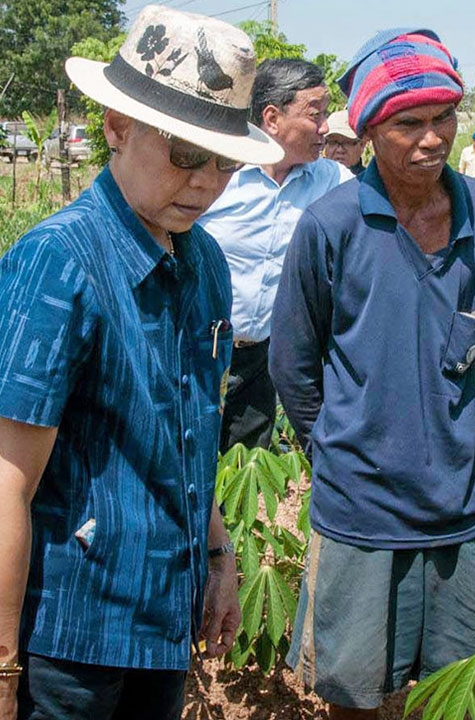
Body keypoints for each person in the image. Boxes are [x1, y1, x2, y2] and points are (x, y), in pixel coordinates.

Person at [0, 7, 283, 719]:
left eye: (224, 160)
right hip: (67, 639)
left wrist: (217, 555)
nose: (206, 182)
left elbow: (186, 435)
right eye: (186, 154)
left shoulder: (206, 263)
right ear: (116, 127)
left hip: (163, 622)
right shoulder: (58, 262)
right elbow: (7, 483)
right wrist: (1, 668)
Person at [270, 29, 475, 718]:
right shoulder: (330, 223)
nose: (433, 139)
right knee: (357, 695)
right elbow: (292, 363)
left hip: (462, 494)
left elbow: (471, 337)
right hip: (362, 507)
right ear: (368, 130)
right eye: (409, 124)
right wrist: (337, 449)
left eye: (443, 119)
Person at [199, 58, 353, 453]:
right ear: (272, 118)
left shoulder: (332, 180)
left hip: (262, 361)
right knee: (186, 470)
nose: (325, 129)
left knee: (242, 466)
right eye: (315, 115)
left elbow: (399, 207)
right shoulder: (221, 171)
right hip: (197, 350)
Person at [323, 108, 367, 174]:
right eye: (333, 142)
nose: (340, 150)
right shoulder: (311, 179)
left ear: (362, 145)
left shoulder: (371, 182)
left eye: (347, 142)